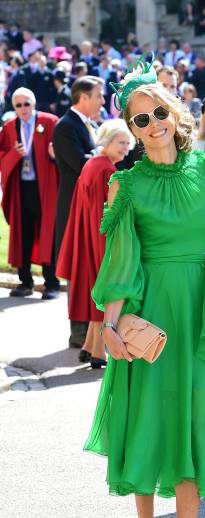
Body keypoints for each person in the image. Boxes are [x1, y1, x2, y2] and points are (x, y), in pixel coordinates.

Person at [83, 59, 205, 518]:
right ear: (130, 129)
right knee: (149, 424)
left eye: (157, 114)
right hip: (150, 314)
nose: (151, 126)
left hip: (200, 310)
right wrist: (110, 324)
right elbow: (120, 261)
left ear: (173, 115)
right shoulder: (125, 185)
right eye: (138, 121)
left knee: (195, 426)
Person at [56, 119, 134, 367]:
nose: (125, 148)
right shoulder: (106, 171)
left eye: (127, 143)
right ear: (108, 141)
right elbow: (106, 215)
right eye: (121, 142)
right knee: (106, 291)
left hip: (89, 237)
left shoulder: (94, 164)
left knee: (97, 293)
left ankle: (90, 347)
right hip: (99, 239)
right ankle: (99, 353)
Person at [53, 75, 105, 347]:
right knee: (77, 270)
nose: (103, 100)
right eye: (99, 95)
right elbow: (78, 162)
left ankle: (91, 331)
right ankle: (78, 331)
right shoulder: (65, 126)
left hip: (90, 208)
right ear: (83, 97)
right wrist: (107, 153)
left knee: (91, 269)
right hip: (74, 209)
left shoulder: (88, 123)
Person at [0, 87, 60, 299]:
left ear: (34, 104)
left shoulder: (51, 122)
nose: (23, 108)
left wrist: (54, 157)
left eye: (27, 103)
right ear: (13, 107)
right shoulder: (8, 128)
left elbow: (63, 153)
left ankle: (51, 283)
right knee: (22, 235)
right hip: (21, 189)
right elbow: (2, 157)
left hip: (46, 188)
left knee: (48, 234)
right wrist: (13, 156)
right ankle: (25, 282)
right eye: (18, 105)